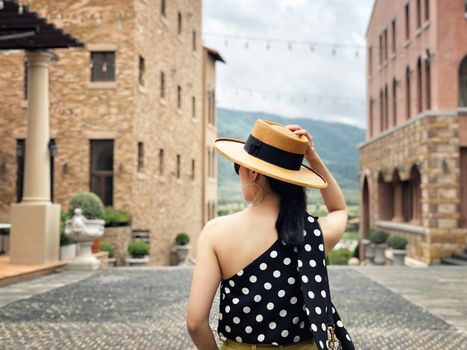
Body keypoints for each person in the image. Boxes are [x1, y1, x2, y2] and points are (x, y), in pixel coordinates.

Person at [187, 119, 349, 350]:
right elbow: (339, 209)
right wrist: (311, 157)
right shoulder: (314, 233)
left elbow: (195, 323)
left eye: (238, 166)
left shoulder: (216, 232)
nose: (239, 174)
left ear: (253, 173)